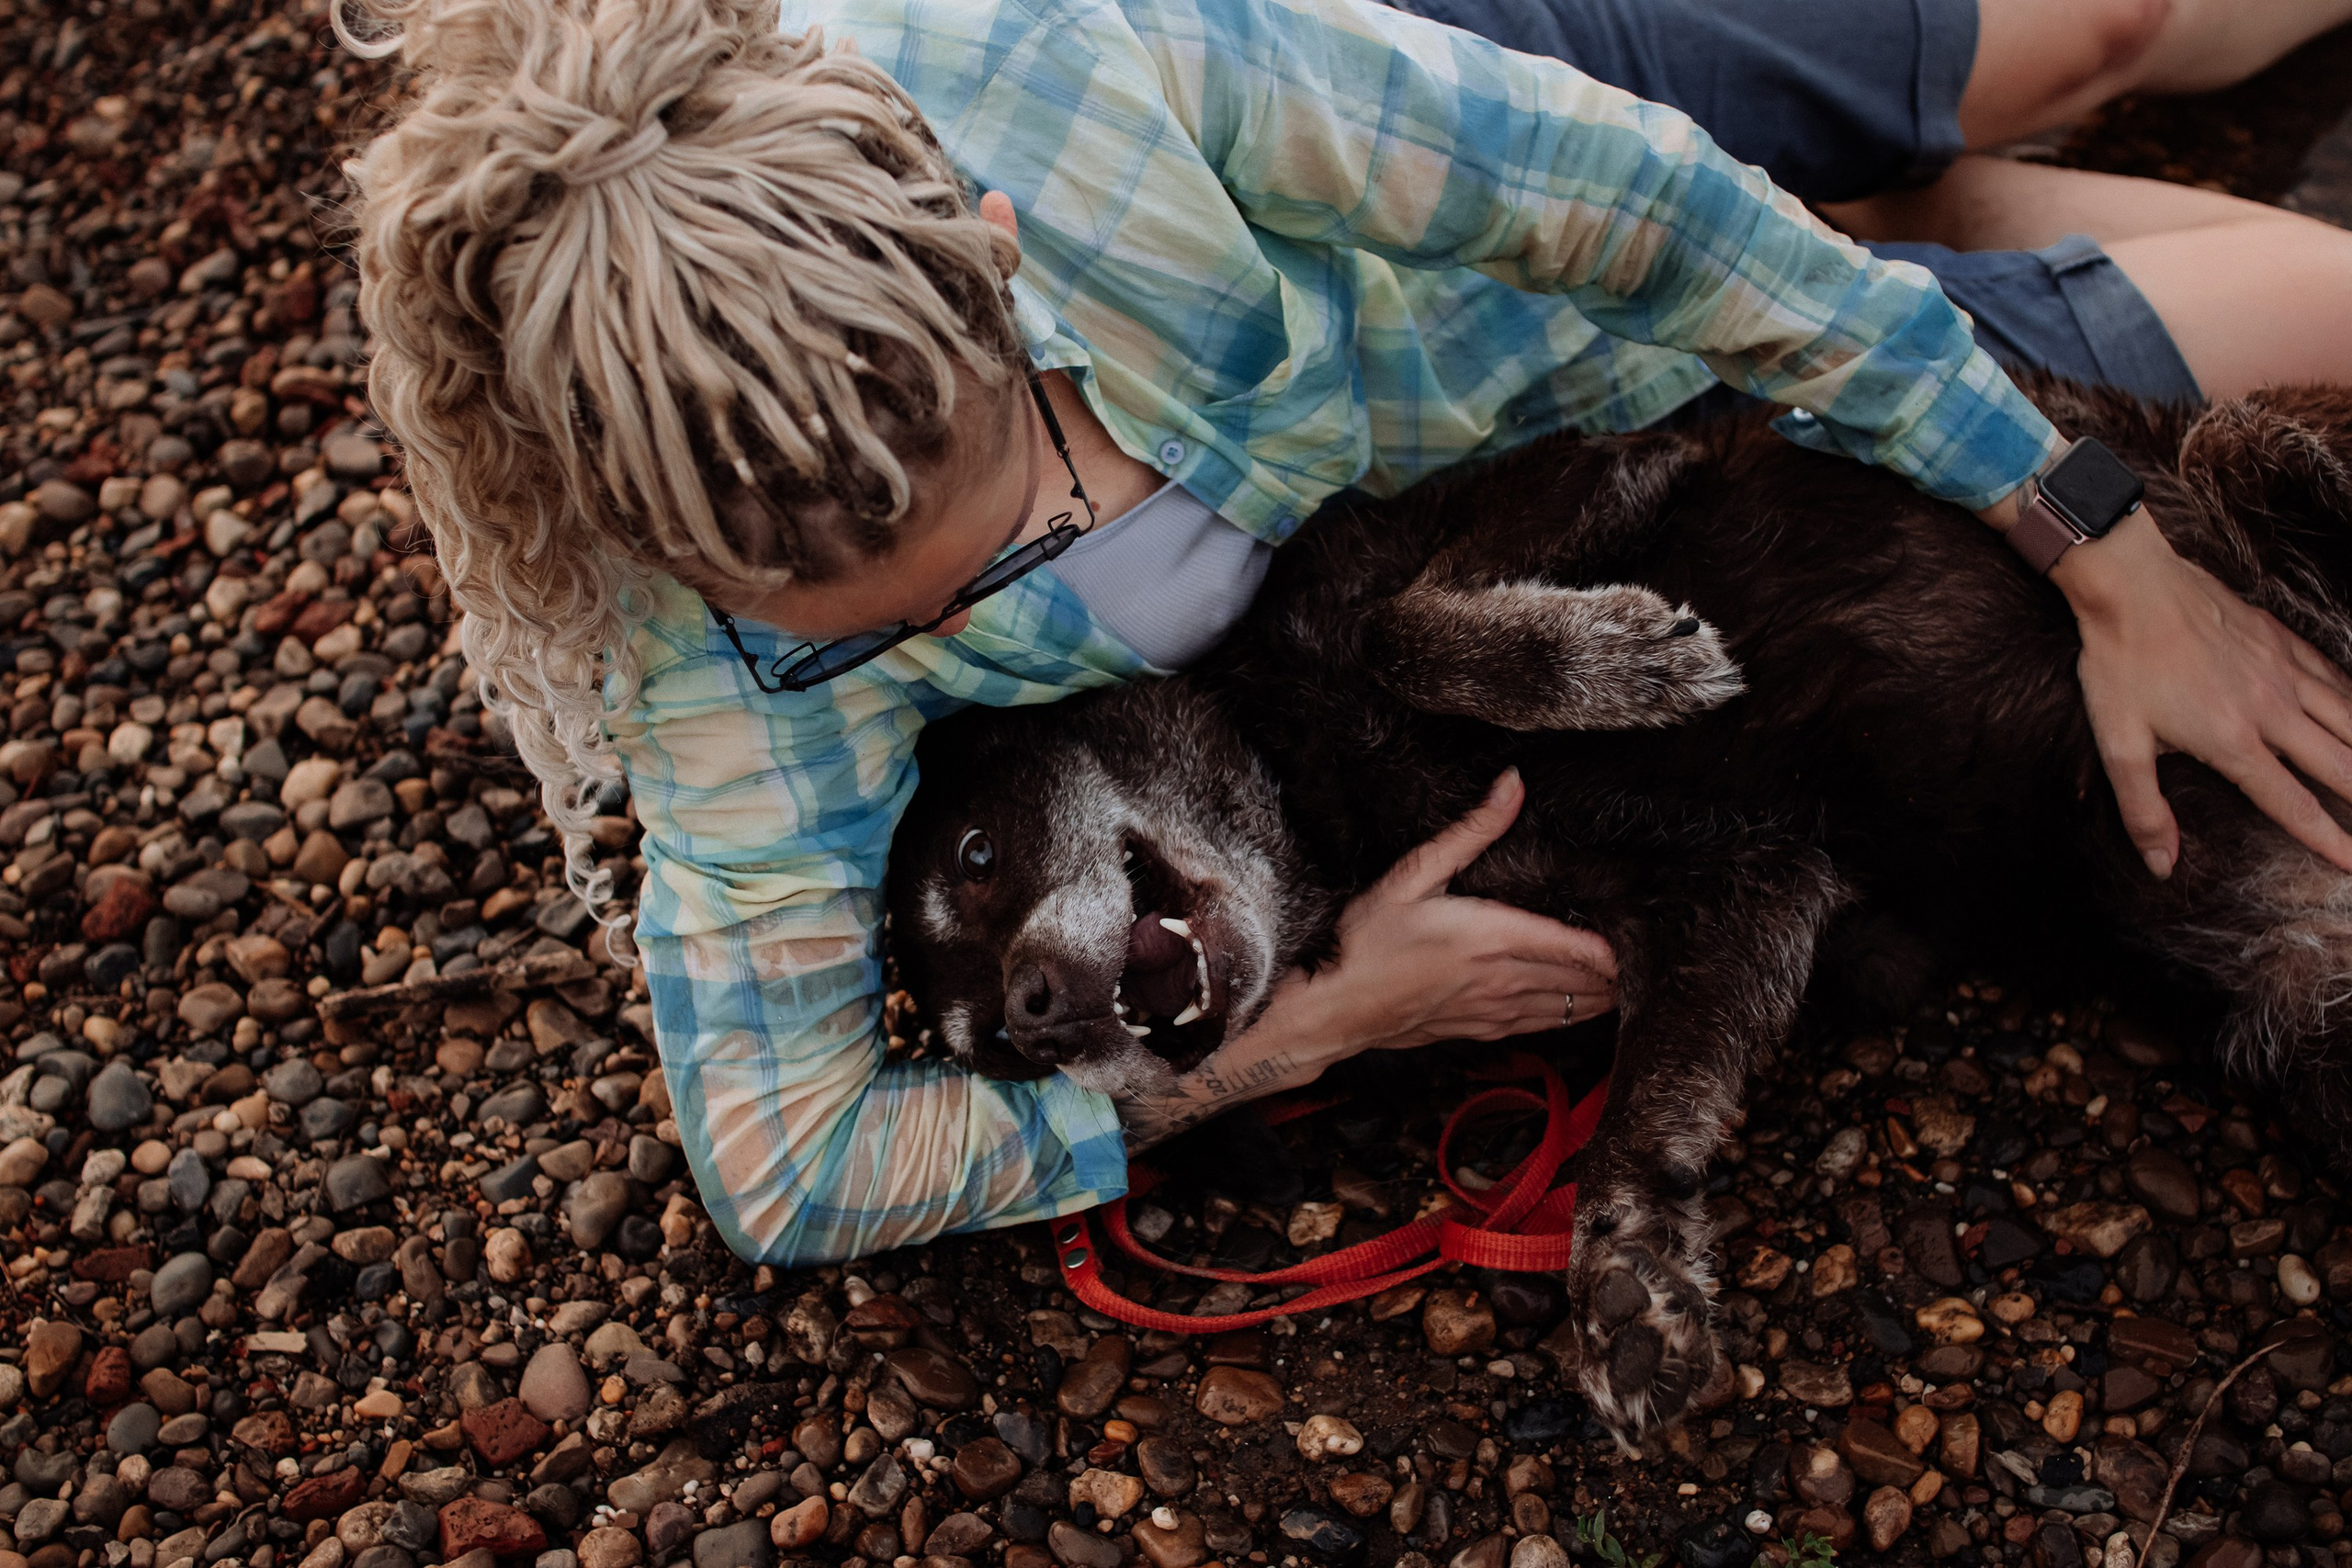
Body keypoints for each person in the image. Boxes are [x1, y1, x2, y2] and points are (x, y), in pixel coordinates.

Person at [343, 0, 2352, 1263]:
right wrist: (1303, 1030)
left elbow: (1652, 221)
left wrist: (2103, 545)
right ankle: (1901, 236)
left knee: (2108, 28)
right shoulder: (712, 656)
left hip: (1514, 201)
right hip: (1636, 433)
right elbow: (781, 1165)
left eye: (1016, 489)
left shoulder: (1079, 73)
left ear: (995, 255)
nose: (1020, 564)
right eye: (911, 615)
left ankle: (1893, 228)